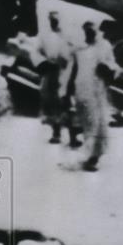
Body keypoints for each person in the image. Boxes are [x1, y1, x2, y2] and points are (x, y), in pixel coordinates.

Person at [69, 21, 119, 172]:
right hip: (81, 89)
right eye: (87, 31)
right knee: (86, 122)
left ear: (97, 31)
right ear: (84, 32)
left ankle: (93, 158)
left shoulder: (104, 46)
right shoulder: (80, 48)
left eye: (92, 31)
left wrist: (107, 70)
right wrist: (69, 87)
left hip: (98, 91)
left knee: (97, 123)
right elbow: (74, 68)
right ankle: (88, 151)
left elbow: (114, 67)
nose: (90, 33)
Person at [36, 11, 72, 145]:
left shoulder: (66, 36)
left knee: (63, 100)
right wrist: (44, 62)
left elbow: (71, 53)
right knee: (48, 99)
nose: (54, 22)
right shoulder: (45, 36)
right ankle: (55, 132)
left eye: (56, 20)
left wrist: (65, 60)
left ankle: (73, 135)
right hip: (49, 71)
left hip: (63, 71)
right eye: (52, 20)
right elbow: (37, 51)